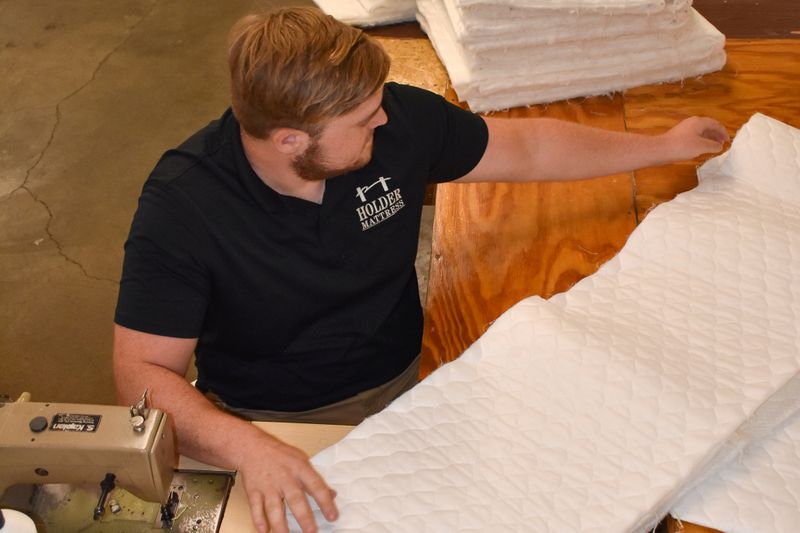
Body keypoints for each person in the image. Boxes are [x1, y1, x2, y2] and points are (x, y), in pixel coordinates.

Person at [112, 6, 730, 533]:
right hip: (274, 420)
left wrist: (662, 145)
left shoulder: (396, 121)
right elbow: (140, 376)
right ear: (289, 140)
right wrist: (249, 448)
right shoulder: (183, 206)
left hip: (414, 378)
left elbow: (527, 147)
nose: (383, 120)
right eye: (362, 119)